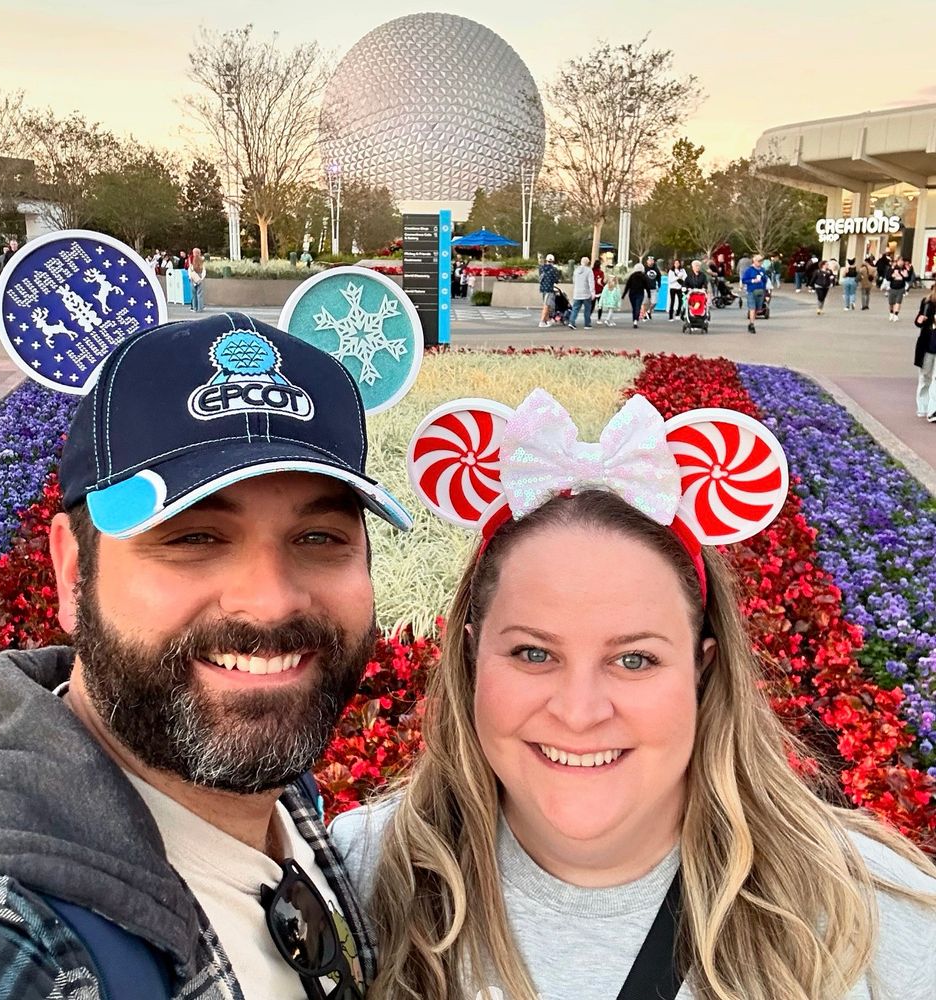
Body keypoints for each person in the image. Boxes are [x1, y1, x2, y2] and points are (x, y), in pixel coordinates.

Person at [330, 389, 936, 1000]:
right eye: (534, 653)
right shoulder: (359, 875)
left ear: (702, 670)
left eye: (635, 659)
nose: (580, 711)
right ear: (470, 658)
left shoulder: (874, 917)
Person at [0, 312, 415, 997]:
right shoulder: (5, 935)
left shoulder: (265, 791)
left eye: (317, 538)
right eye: (193, 538)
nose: (270, 602)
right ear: (73, 572)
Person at [913, 282, 936, 420]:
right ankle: (923, 407)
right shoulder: (927, 302)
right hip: (928, 343)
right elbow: (918, 320)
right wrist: (920, 320)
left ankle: (933, 410)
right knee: (925, 377)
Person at [741, 252, 769, 333]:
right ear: (754, 261)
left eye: (761, 261)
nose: (760, 263)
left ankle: (752, 321)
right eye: (759, 261)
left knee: (758, 309)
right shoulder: (749, 270)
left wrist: (763, 279)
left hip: (760, 291)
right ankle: (752, 324)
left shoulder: (762, 270)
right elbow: (744, 280)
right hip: (751, 291)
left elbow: (765, 279)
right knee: (752, 308)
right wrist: (753, 280)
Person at [568, 256, 594, 329]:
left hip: (577, 292)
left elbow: (574, 281)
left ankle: (572, 322)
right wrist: (592, 292)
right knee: (587, 309)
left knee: (575, 308)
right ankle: (587, 324)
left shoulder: (576, 270)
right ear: (588, 263)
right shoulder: (589, 271)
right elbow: (591, 282)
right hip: (586, 293)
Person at [621, 262, 648, 329]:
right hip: (640, 293)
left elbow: (627, 286)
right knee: (638, 307)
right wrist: (649, 294)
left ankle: (634, 320)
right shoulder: (644, 276)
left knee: (634, 308)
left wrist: (624, 295)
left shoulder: (632, 276)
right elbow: (647, 286)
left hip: (632, 294)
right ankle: (636, 320)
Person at [538, 254, 560, 328]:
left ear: (546, 260)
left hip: (542, 288)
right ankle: (542, 321)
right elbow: (556, 280)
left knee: (546, 304)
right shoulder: (553, 269)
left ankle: (547, 320)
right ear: (553, 261)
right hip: (549, 289)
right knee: (547, 306)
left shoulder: (541, 268)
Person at [888, 257, 909, 321]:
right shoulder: (892, 268)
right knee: (891, 303)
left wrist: (906, 274)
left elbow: (908, 278)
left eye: (902, 261)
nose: (901, 262)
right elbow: (887, 277)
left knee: (898, 302)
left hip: (901, 288)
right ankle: (891, 313)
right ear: (897, 262)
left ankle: (896, 314)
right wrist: (892, 275)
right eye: (899, 261)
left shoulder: (904, 269)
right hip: (892, 288)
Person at [187, 246, 206, 313]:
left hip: (193, 277)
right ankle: (200, 308)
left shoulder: (191, 259)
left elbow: (189, 269)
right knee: (199, 294)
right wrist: (201, 278)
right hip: (199, 277)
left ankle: (194, 308)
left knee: (193, 294)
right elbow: (204, 270)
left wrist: (190, 277)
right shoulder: (201, 260)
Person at [642, 255, 661, 320]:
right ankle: (644, 315)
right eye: (649, 260)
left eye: (652, 260)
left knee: (654, 302)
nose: (651, 262)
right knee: (644, 302)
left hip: (653, 288)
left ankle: (649, 311)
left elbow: (659, 278)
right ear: (647, 261)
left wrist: (659, 285)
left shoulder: (656, 269)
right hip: (645, 288)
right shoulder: (644, 268)